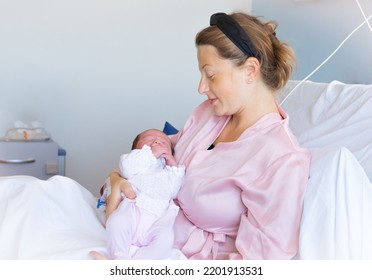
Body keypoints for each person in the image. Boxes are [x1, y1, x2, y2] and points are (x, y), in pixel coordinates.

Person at [99, 12, 311, 260]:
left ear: (251, 70)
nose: (201, 87)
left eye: (210, 75)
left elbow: (261, 263)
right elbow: (155, 159)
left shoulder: (280, 158)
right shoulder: (208, 114)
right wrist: (116, 179)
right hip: (136, 234)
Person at [93, 129, 185, 259]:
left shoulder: (168, 171)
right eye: (149, 138)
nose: (157, 141)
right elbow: (126, 168)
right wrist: (150, 155)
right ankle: (119, 258)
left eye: (164, 142)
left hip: (158, 218)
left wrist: (173, 165)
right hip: (133, 208)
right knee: (116, 222)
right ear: (135, 148)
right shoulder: (136, 160)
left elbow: (174, 191)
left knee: (166, 239)